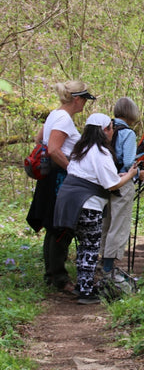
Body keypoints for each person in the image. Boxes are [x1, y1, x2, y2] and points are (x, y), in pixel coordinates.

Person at [54, 113, 138, 304]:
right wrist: (132, 173)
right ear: (104, 131)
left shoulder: (80, 149)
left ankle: (83, 285)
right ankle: (86, 291)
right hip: (87, 204)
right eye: (110, 127)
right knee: (90, 247)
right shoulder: (100, 152)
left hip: (69, 202)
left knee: (84, 246)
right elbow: (112, 184)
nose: (113, 131)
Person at [26, 81, 95, 294]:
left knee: (53, 226)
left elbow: (40, 140)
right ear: (77, 98)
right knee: (61, 227)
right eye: (84, 99)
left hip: (52, 176)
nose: (85, 103)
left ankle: (52, 275)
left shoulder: (55, 115)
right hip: (59, 179)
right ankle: (59, 278)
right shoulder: (63, 119)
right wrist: (74, 170)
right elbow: (55, 149)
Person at [100, 98, 144, 283]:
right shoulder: (128, 133)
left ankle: (102, 261)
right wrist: (135, 172)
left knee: (106, 222)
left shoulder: (105, 129)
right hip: (122, 181)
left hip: (104, 181)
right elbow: (128, 162)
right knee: (119, 224)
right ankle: (109, 267)